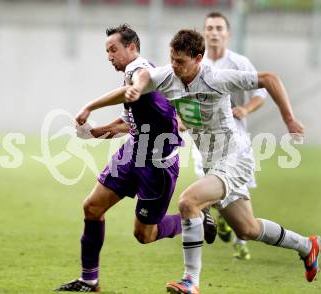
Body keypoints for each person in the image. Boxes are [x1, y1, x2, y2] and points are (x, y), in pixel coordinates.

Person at [123, 29, 321, 294]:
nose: (174, 65)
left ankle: (190, 281)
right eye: (171, 59)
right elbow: (145, 77)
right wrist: (125, 91)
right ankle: (307, 246)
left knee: (188, 202)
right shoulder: (169, 75)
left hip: (234, 159)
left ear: (198, 58)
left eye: (180, 61)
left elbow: (269, 79)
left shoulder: (216, 78)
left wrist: (289, 120)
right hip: (212, 164)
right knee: (248, 228)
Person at [54, 24, 216, 292]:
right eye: (107, 51)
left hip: (157, 165)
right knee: (92, 207)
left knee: (145, 235)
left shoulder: (139, 69)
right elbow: (128, 124)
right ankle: (88, 280)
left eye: (113, 49)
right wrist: (94, 133)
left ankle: (195, 217)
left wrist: (89, 106)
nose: (109, 56)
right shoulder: (136, 82)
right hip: (132, 152)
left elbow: (140, 79)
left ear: (132, 48)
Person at [192, 11, 268, 260]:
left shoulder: (239, 63)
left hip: (236, 137)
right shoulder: (198, 65)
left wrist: (245, 109)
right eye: (210, 28)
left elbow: (262, 93)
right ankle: (222, 217)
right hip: (205, 138)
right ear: (204, 33)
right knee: (206, 182)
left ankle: (240, 240)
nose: (214, 32)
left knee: (238, 188)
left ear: (228, 34)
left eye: (219, 28)